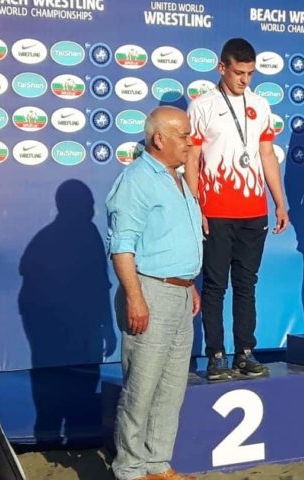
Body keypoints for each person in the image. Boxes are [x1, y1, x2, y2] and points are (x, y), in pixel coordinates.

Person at [107, 107, 203, 480]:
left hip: (179, 293)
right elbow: (122, 246)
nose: (190, 141)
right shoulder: (136, 180)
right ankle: (130, 470)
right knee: (141, 388)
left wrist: (188, 283)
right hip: (149, 291)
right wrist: (135, 297)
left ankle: (157, 464)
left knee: (171, 386)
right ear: (159, 138)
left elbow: (172, 239)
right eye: (183, 135)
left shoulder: (175, 178)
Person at [185, 38, 288, 381]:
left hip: (253, 211)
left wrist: (279, 201)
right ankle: (216, 355)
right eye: (239, 72)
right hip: (215, 209)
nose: (245, 80)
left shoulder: (260, 104)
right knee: (215, 285)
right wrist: (194, 204)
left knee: (247, 284)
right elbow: (193, 159)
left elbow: (267, 154)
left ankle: (245, 351)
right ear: (222, 67)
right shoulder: (202, 106)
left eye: (250, 73)